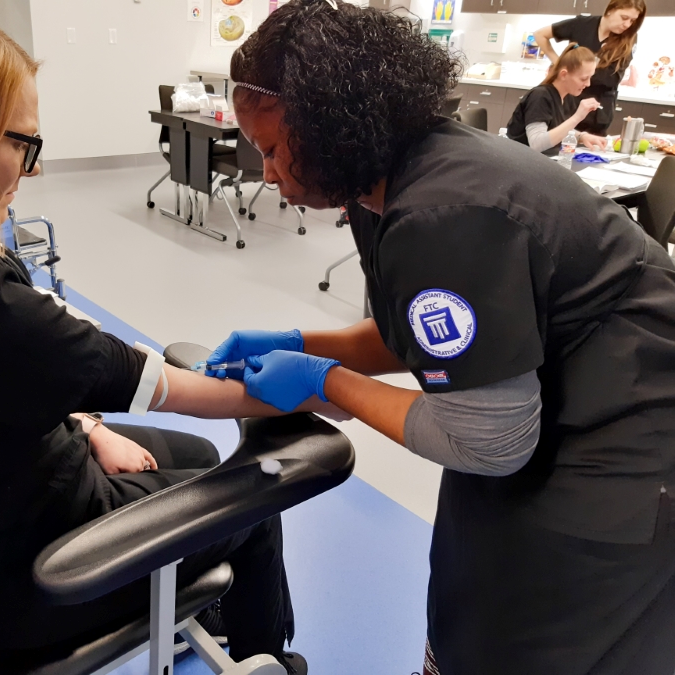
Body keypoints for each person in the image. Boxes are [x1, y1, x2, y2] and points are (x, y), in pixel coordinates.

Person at [0, 10, 325, 674]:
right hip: (41, 577)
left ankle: (199, 596)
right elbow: (195, 390)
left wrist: (87, 424)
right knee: (254, 493)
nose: (29, 167)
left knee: (190, 455)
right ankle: (268, 655)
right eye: (23, 142)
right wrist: (329, 384)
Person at [208, 2, 675, 673]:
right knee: (467, 595)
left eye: (273, 149)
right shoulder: (380, 185)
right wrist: (307, 339)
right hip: (551, 394)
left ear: (330, 125)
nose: (266, 174)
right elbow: (428, 338)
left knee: (530, 637)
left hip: (629, 440)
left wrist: (322, 380)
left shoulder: (443, 212)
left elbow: (488, 442)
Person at [533, 0, 646, 135]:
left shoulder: (628, 39)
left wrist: (575, 72)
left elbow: (611, 79)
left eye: (632, 21)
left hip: (597, 114)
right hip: (568, 107)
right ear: (610, 10)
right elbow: (540, 34)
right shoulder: (582, 24)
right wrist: (558, 63)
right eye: (624, 18)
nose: (627, 25)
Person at [505, 44, 607, 154]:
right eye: (583, 79)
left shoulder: (567, 97)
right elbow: (537, 143)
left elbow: (555, 129)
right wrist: (577, 117)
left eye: (590, 78)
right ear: (563, 75)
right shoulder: (541, 96)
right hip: (519, 161)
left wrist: (581, 136)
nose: (588, 84)